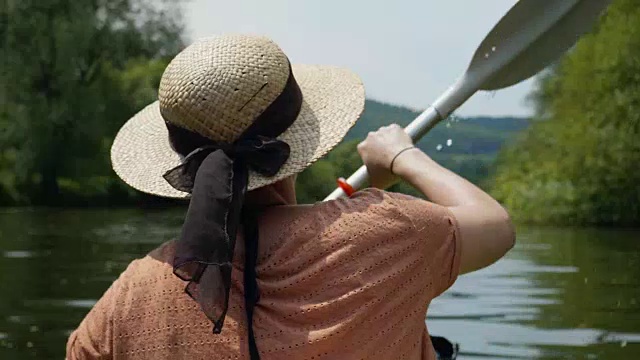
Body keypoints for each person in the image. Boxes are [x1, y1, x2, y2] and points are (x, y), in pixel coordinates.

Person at [66, 34, 515, 360]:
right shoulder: (390, 233)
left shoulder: (128, 299)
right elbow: (495, 226)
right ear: (297, 153)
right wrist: (402, 157)